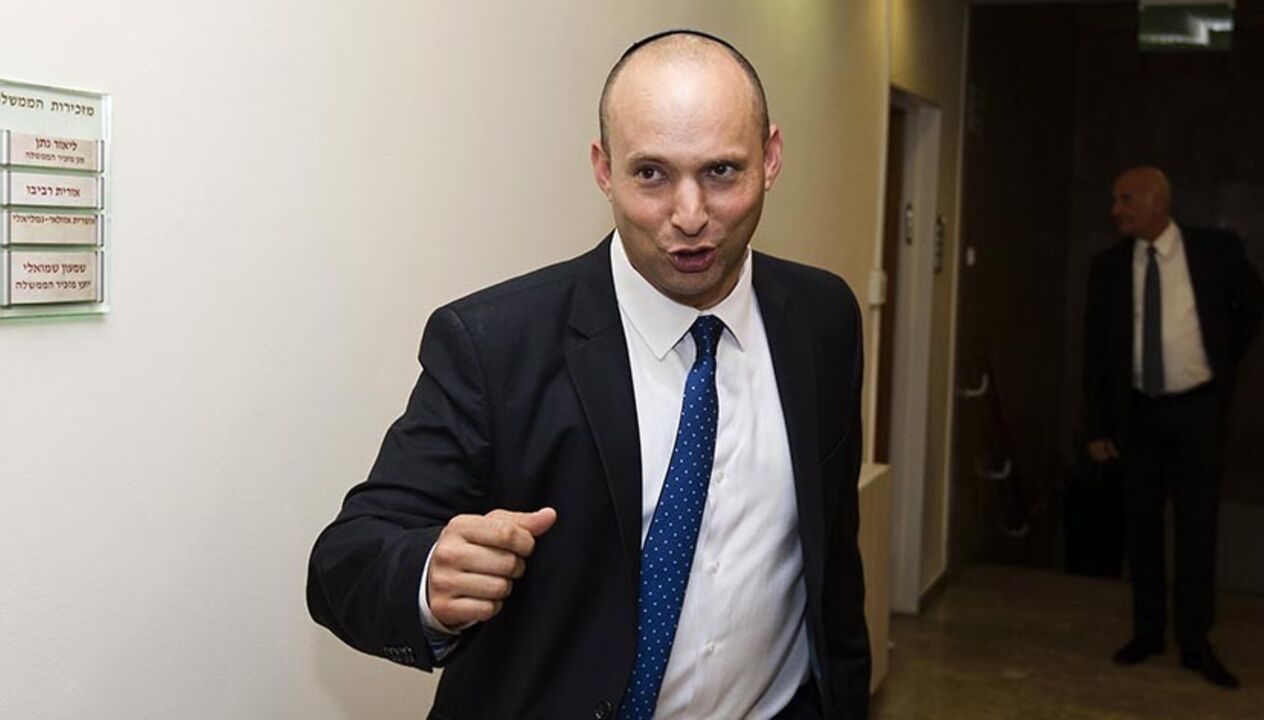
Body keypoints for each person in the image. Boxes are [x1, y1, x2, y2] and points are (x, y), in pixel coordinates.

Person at [307, 30, 870, 719]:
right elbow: (347, 560)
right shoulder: (494, 345)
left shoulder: (823, 320)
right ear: (604, 170)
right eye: (651, 174)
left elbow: (834, 564)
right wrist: (429, 578)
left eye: (721, 171)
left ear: (770, 158)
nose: (689, 216)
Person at [1082, 166, 1263, 689]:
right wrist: (1096, 425)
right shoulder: (1108, 267)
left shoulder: (1214, 250)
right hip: (1137, 413)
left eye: (1126, 200)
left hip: (1198, 410)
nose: (1116, 210)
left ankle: (1195, 639)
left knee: (1197, 525)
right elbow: (1094, 353)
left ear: (1157, 202)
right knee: (1142, 523)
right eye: (1116, 200)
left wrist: (1221, 360)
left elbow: (1253, 306)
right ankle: (1147, 632)